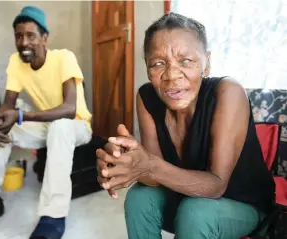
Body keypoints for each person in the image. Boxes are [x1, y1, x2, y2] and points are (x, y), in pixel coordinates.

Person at [96, 12, 275, 239]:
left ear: (206, 64)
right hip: (184, 194)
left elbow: (215, 185)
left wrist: (148, 165)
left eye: (186, 61)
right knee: (139, 197)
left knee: (196, 212)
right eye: (158, 64)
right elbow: (153, 175)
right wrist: (122, 164)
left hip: (242, 203)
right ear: (147, 67)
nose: (171, 75)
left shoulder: (228, 92)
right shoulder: (147, 97)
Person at [0, 6, 92, 239]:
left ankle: (53, 216)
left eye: (30, 36)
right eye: (19, 36)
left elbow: (69, 109)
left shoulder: (64, 58)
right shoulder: (16, 62)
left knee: (60, 126)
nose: (24, 42)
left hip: (76, 125)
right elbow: (8, 104)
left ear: (44, 38)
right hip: (44, 124)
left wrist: (21, 116)